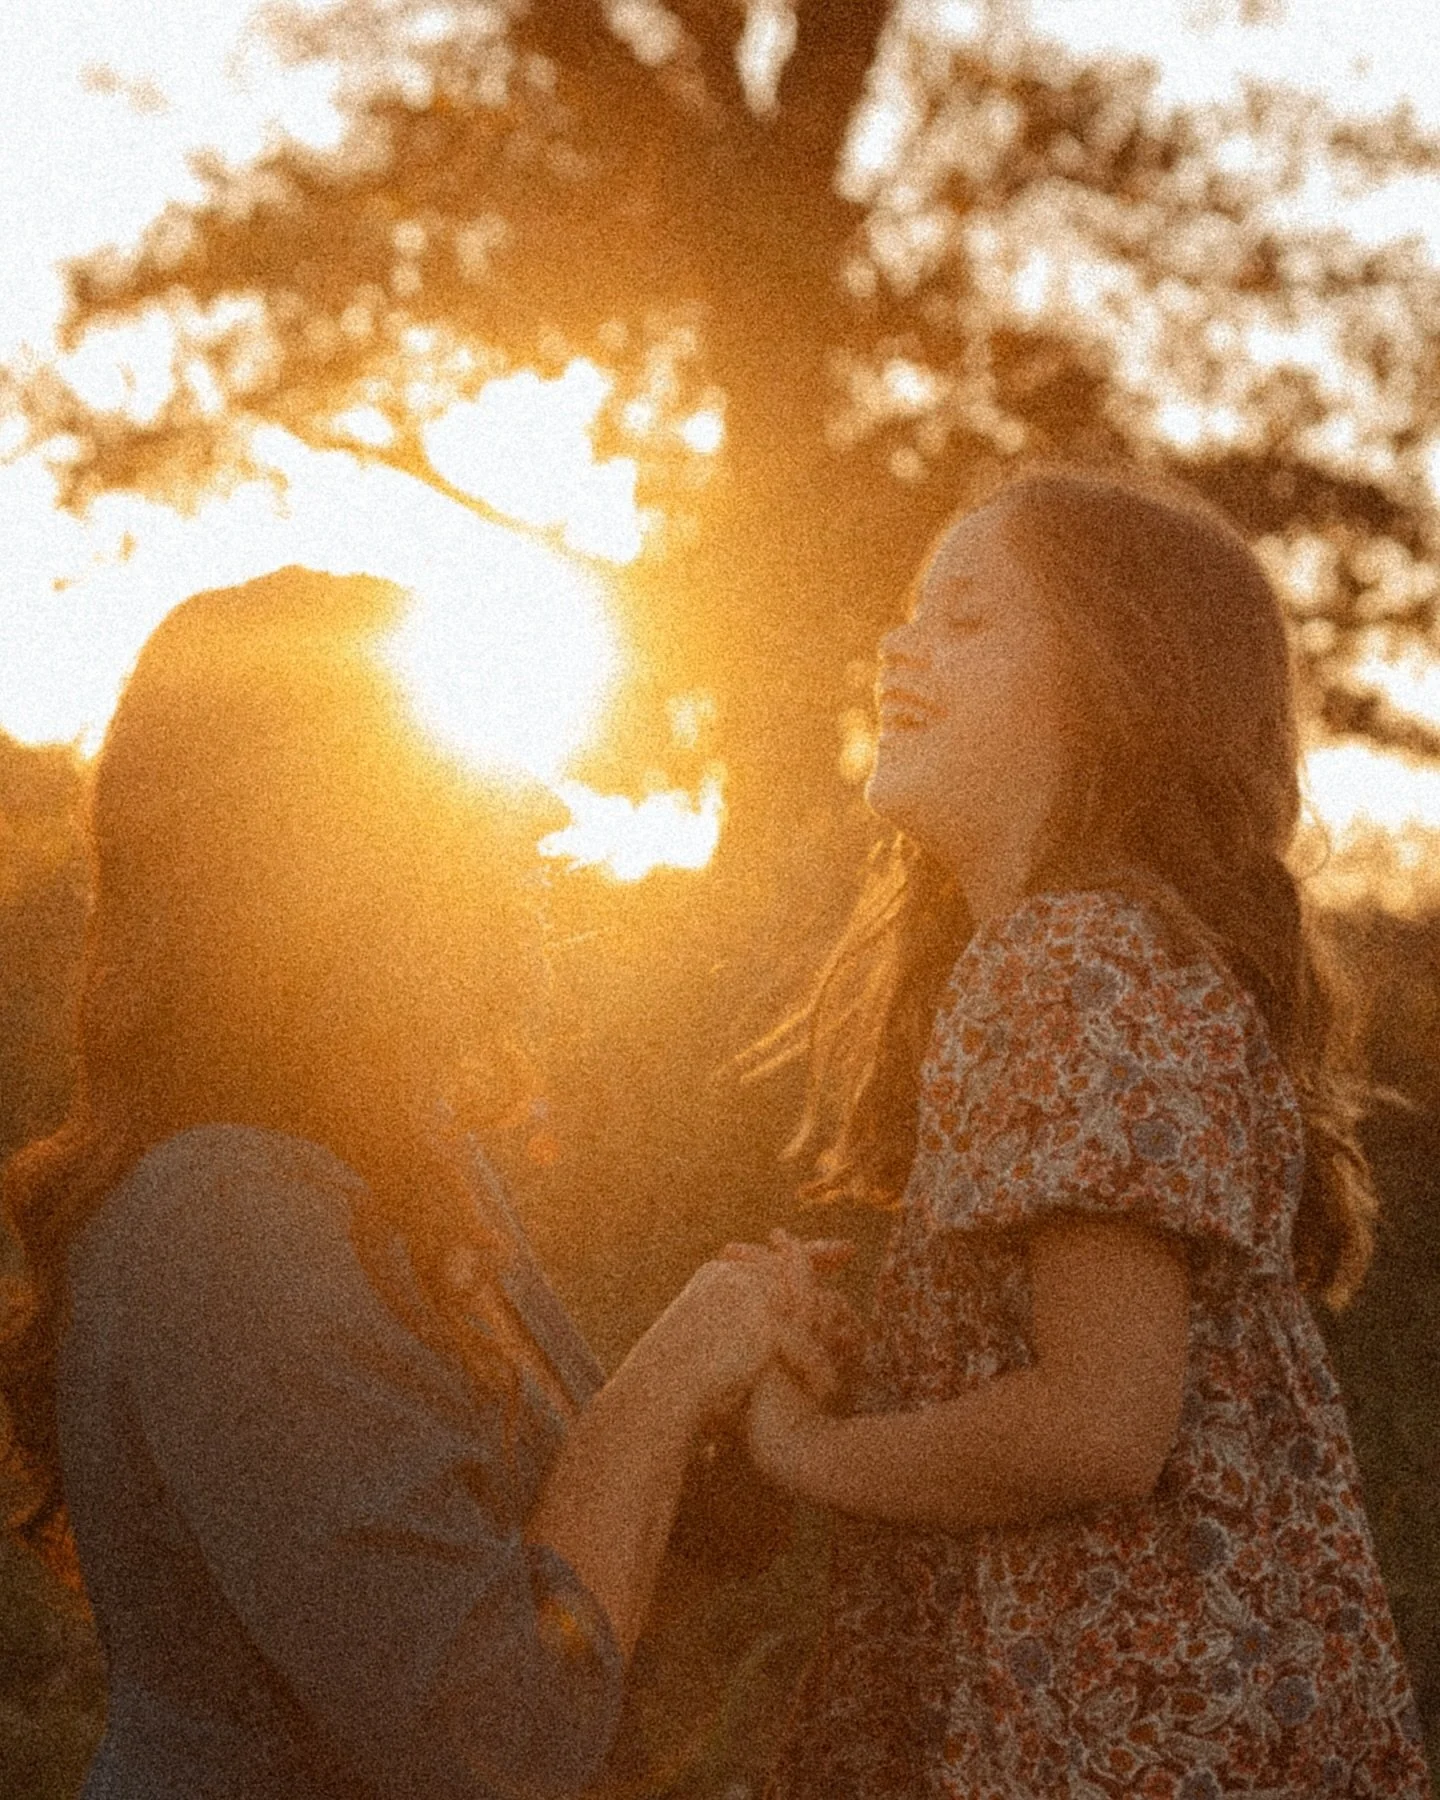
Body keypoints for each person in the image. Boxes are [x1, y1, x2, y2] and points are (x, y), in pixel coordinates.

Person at [0, 565, 842, 1800]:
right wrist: (666, 1380)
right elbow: (498, 1739)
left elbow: (569, 1609)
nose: (543, 820)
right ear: (329, 856)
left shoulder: (411, 1165)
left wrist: (748, 1429)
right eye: (484, 795)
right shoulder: (228, 1217)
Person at [743, 469, 1433, 1798]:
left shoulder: (1075, 958)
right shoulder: (1096, 951)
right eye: (908, 614)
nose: (902, 645)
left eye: (968, 618)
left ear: (1118, 689)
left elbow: (1098, 1427)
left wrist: (809, 1451)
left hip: (1127, 1736)